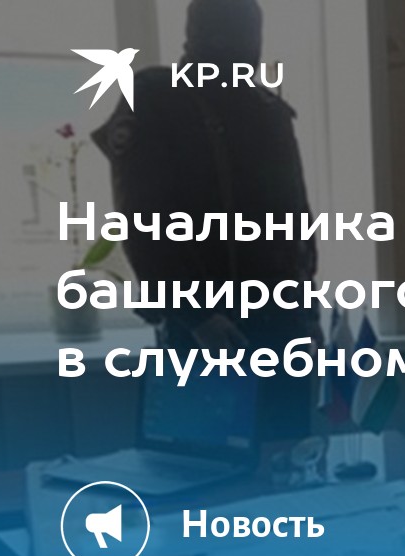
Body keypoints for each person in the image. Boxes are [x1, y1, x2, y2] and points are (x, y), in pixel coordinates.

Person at [93, 0, 319, 440]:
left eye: (251, 33)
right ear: (199, 35)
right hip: (205, 325)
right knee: (204, 459)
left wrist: (307, 310)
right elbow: (141, 218)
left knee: (288, 456)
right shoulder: (156, 98)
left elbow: (296, 217)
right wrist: (195, 315)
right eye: (231, 33)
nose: (247, 47)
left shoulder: (268, 110)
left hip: (282, 321)